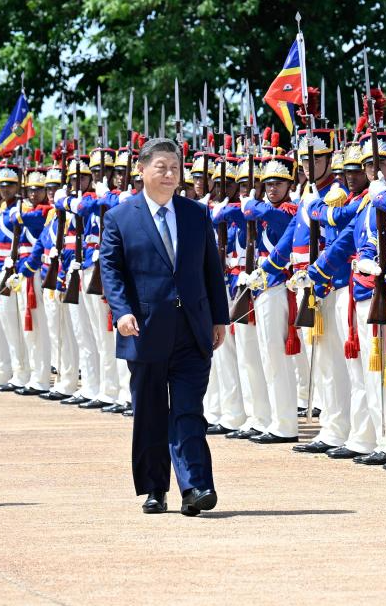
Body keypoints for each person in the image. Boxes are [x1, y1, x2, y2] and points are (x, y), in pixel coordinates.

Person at [100, 137, 229, 516]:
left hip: (192, 328)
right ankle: (155, 488)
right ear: (141, 170)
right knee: (151, 412)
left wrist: (219, 317)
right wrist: (121, 312)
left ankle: (196, 486)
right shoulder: (120, 218)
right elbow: (111, 270)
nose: (170, 174)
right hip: (144, 329)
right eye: (162, 167)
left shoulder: (195, 213)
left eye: (175, 167)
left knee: (189, 409)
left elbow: (211, 269)